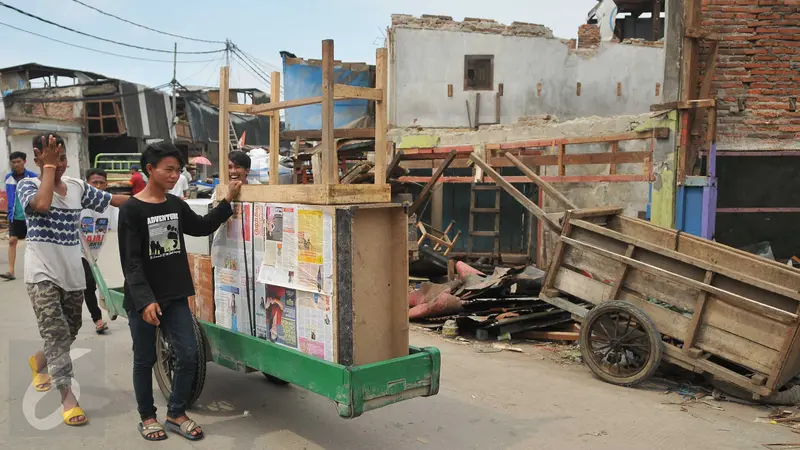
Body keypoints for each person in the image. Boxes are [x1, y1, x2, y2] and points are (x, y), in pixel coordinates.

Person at [118, 141, 241, 441]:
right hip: (143, 300)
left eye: (178, 170)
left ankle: (175, 413)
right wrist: (145, 300)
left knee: (188, 355)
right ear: (150, 170)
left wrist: (226, 203)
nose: (175, 175)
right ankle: (147, 416)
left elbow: (200, 227)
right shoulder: (132, 210)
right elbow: (131, 263)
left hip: (175, 296)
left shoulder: (176, 205)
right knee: (144, 359)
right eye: (168, 169)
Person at [17, 133, 128, 426]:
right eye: (52, 157)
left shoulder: (78, 187)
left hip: (73, 273)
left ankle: (39, 362)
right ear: (37, 158)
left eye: (62, 158)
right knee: (56, 334)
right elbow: (41, 205)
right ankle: (68, 397)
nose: (60, 164)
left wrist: (157, 200)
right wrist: (49, 170)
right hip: (41, 273)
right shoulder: (26, 185)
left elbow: (113, 200)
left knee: (70, 331)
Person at [81, 168, 114, 334]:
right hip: (77, 251)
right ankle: (98, 319)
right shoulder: (78, 203)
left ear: (106, 185)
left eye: (102, 183)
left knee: (81, 286)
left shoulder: (109, 205)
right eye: (94, 182)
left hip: (93, 253)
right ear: (87, 184)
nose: (98, 186)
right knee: (88, 284)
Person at [2, 151, 37, 281]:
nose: (16, 164)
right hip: (14, 215)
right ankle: (11, 271)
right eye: (14, 162)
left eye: (19, 161)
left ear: (24, 162)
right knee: (12, 241)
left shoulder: (33, 177)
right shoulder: (8, 178)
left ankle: (36, 269)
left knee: (34, 243)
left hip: (30, 215)